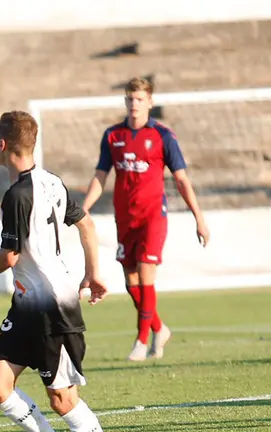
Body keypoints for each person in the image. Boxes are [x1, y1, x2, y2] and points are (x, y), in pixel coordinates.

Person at [0, 111, 107, 432]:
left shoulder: (17, 195)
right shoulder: (53, 182)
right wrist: (93, 272)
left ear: (2, 144)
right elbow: (86, 222)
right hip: (26, 305)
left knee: (62, 400)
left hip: (53, 310)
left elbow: (10, 255)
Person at [81, 77, 210, 362]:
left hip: (153, 215)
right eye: (130, 99)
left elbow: (181, 180)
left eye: (139, 99)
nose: (134, 104)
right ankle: (159, 328)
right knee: (131, 281)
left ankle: (142, 339)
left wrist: (198, 218)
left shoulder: (163, 136)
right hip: (125, 217)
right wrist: (84, 208)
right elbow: (101, 176)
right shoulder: (113, 136)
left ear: (150, 102)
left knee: (146, 271)